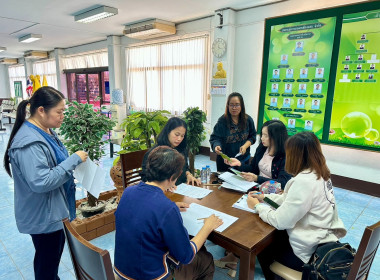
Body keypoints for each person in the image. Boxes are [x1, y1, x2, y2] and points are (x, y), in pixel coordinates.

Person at [3, 86, 88, 280]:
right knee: (47, 265)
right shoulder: (29, 142)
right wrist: (73, 160)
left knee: (49, 261)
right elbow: (41, 182)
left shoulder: (44, 130)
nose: (62, 116)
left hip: (53, 210)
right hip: (43, 216)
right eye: (59, 111)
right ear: (41, 110)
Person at [246, 132, 346, 279]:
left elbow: (281, 221)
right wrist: (264, 198)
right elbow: (289, 199)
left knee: (261, 246)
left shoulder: (304, 181)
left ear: (295, 155)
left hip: (307, 251)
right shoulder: (320, 173)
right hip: (323, 238)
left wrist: (257, 206)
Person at [114, 146, 223, 280]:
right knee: (206, 260)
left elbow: (142, 214)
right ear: (172, 178)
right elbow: (186, 256)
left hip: (122, 271)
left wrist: (171, 208)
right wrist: (208, 227)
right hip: (152, 276)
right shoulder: (166, 208)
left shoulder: (128, 192)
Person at [214, 120, 292, 274]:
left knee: (250, 219)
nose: (261, 139)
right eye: (261, 134)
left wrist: (257, 179)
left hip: (271, 195)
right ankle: (235, 252)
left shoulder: (286, 155)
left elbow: (283, 183)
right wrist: (239, 165)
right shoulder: (262, 149)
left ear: (276, 137)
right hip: (254, 189)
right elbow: (253, 168)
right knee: (233, 207)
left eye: (265, 136)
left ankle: (239, 254)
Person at [141, 117, 200, 185]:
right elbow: (146, 178)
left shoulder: (181, 149)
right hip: (162, 191)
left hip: (181, 188)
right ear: (168, 132)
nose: (179, 139)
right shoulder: (155, 153)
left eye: (182, 136)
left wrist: (188, 175)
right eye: (177, 135)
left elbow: (185, 167)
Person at [210, 92, 256, 172]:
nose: (234, 108)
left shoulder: (248, 120)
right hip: (226, 161)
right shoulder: (222, 121)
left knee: (242, 181)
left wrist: (245, 146)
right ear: (228, 106)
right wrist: (216, 146)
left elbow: (253, 136)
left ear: (241, 106)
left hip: (243, 160)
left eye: (237, 105)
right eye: (231, 105)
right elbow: (215, 138)